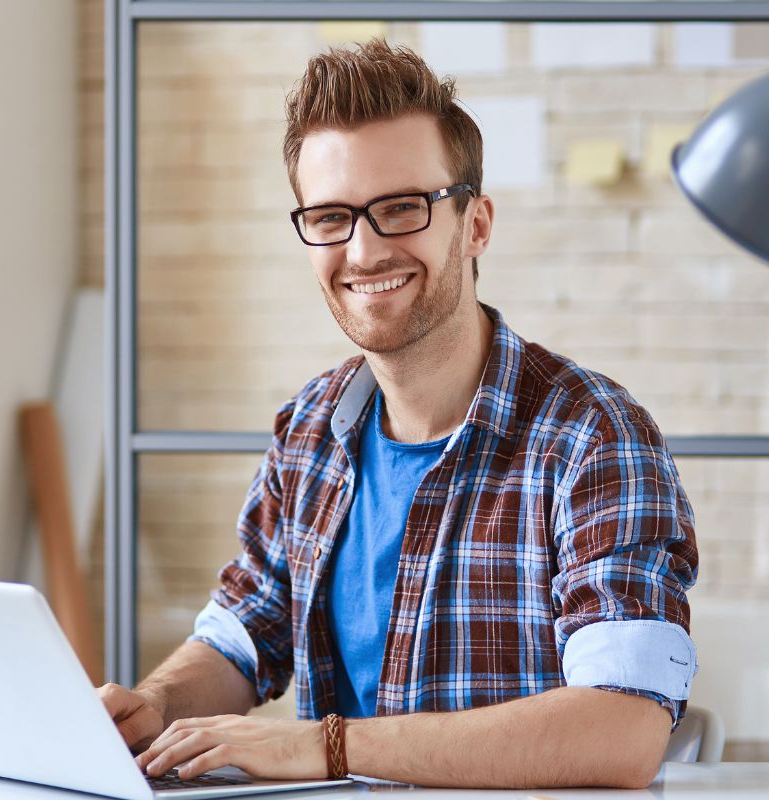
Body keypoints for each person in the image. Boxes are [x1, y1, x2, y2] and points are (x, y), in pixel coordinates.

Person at [99, 38, 698, 790]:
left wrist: (328, 747)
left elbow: (623, 728)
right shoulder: (310, 429)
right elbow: (242, 635)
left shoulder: (593, 437)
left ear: (475, 224)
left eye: (401, 208)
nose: (363, 251)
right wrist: (155, 706)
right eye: (331, 217)